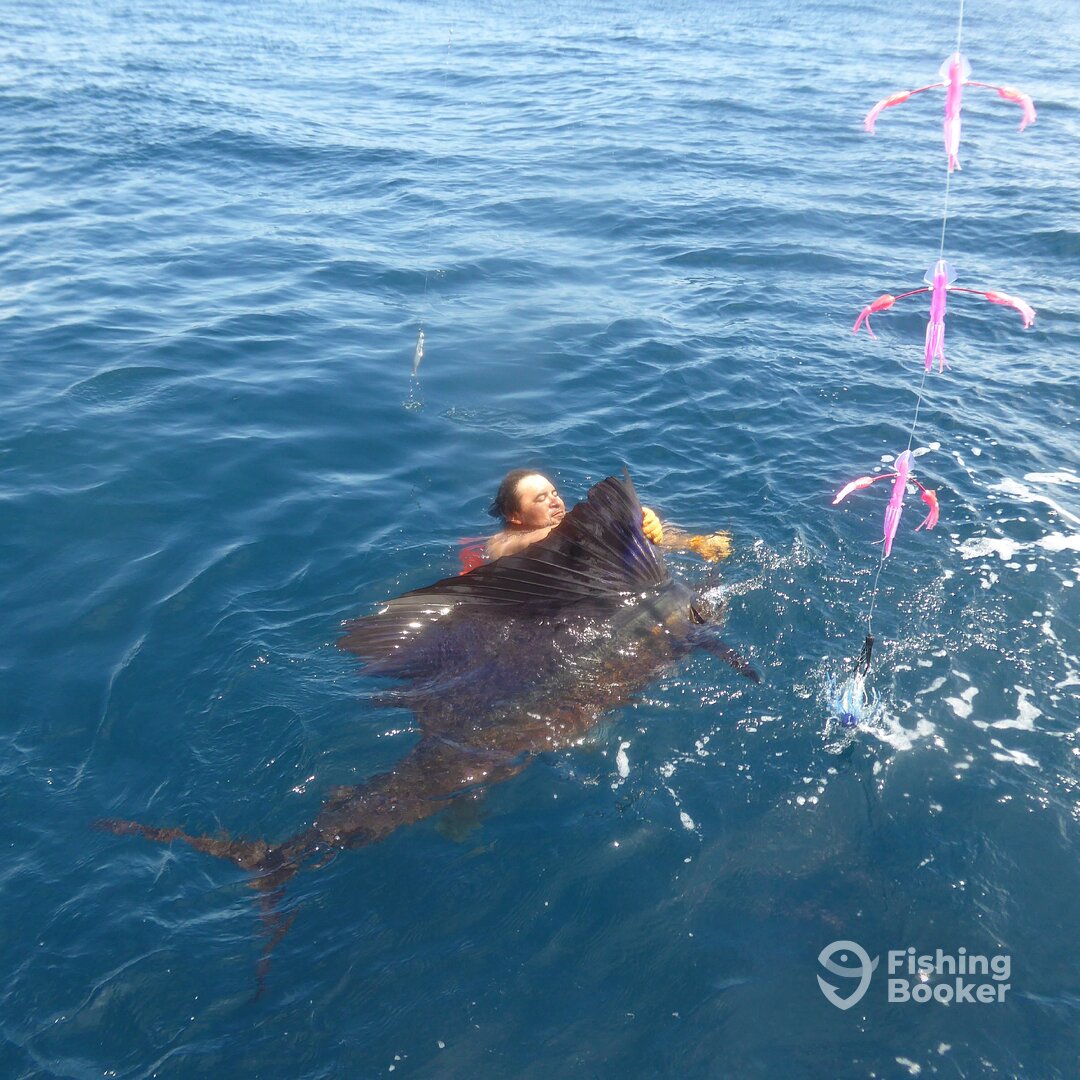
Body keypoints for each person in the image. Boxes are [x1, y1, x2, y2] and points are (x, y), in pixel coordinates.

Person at [483, 469, 665, 562]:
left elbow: (671, 542)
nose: (555, 502)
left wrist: (642, 523)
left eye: (554, 494)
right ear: (514, 516)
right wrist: (617, 519)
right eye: (541, 499)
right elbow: (513, 546)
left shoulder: (579, 522)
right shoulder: (501, 542)